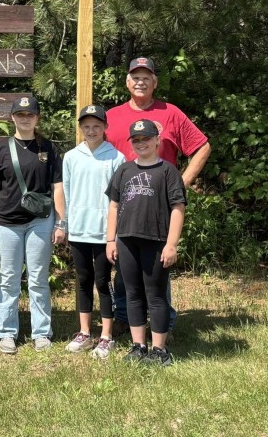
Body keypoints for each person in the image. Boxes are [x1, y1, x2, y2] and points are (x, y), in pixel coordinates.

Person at [106, 57, 210, 336]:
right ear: (127, 82)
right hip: (123, 203)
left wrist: (181, 181)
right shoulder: (111, 116)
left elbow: (202, 146)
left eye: (146, 77)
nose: (140, 82)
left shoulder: (171, 113)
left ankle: (165, 324)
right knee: (123, 264)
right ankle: (125, 318)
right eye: (135, 77)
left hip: (158, 206)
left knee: (157, 266)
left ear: (154, 82)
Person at [0, 96, 65, 354]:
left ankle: (41, 332)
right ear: (12, 117)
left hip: (40, 222)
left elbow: (57, 186)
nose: (25, 118)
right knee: (8, 279)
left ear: (37, 118)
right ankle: (6, 332)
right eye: (20, 114)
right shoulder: (1, 149)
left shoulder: (48, 148)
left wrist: (61, 221)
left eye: (29, 114)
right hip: (7, 222)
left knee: (38, 278)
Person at [105, 119, 187, 366]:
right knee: (132, 293)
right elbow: (114, 205)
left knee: (156, 295)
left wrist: (171, 244)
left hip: (156, 241)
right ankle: (138, 345)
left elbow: (178, 207)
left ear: (156, 140)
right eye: (137, 140)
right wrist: (111, 239)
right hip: (127, 241)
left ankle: (159, 350)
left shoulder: (168, 171)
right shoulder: (125, 170)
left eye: (146, 139)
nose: (141, 144)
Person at [62, 105, 125, 359]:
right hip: (78, 230)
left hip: (103, 232)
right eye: (86, 126)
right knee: (83, 280)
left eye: (96, 126)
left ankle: (106, 335)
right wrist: (63, 224)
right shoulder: (71, 157)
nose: (91, 131)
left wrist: (115, 234)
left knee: (103, 281)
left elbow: (119, 200)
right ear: (80, 129)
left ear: (105, 128)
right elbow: (64, 192)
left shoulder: (116, 157)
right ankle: (85, 332)